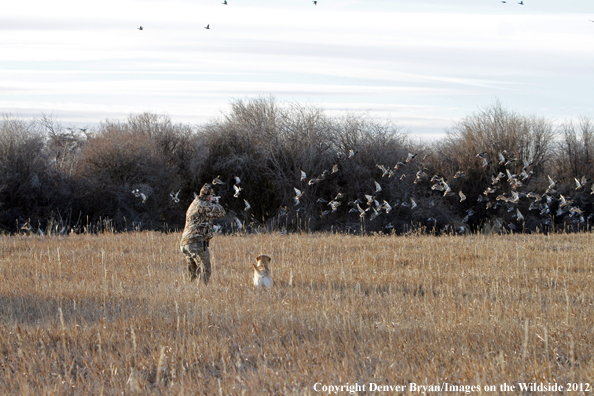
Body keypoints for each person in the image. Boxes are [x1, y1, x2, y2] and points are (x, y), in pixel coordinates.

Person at [180, 183, 226, 284]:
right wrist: (215, 203)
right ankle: (200, 293)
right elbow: (222, 212)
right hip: (196, 243)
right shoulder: (205, 205)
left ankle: (190, 293)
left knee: (193, 274)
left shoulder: (194, 203)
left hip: (185, 244)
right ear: (209, 196)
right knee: (204, 270)